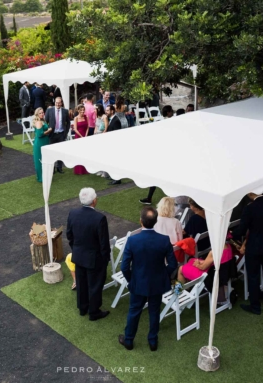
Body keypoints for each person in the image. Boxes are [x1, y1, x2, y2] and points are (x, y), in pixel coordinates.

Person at [118, 206, 177, 351]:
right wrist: (164, 275)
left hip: (138, 283)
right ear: (156, 221)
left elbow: (124, 267)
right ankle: (152, 341)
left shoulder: (132, 240)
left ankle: (129, 340)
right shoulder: (164, 240)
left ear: (140, 221)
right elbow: (173, 264)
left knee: (134, 311)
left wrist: (132, 280)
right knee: (154, 311)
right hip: (157, 283)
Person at [66, 188, 111, 321]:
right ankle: (94, 312)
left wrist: (76, 249)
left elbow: (69, 235)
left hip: (79, 256)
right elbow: (104, 243)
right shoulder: (99, 218)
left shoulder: (73, 213)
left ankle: (82, 308)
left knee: (81, 283)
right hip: (94, 259)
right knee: (95, 286)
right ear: (94, 201)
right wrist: (105, 259)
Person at [44, 97, 70, 174]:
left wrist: (66, 132)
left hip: (61, 134)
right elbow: (46, 122)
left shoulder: (65, 111)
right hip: (52, 134)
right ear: (54, 102)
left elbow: (68, 122)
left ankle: (59, 167)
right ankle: (52, 168)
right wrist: (48, 130)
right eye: (56, 102)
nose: (58, 104)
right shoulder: (49, 110)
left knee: (61, 152)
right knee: (51, 152)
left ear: (61, 103)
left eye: (59, 103)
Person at [154, 197, 183, 261]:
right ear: (172, 208)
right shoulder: (176, 222)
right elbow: (180, 240)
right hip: (173, 253)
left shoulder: (154, 220)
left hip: (157, 252)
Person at [32, 108, 52, 182]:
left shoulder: (43, 120)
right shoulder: (38, 122)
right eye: (40, 113)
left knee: (45, 159)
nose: (42, 114)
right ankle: (42, 177)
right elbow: (40, 134)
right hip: (40, 142)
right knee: (40, 160)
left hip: (45, 141)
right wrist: (48, 131)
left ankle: (46, 175)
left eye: (42, 112)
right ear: (37, 114)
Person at [72, 105, 89, 175]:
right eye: (81, 110)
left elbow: (88, 127)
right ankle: (79, 170)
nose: (82, 111)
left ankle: (86, 169)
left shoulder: (86, 117)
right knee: (78, 153)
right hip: (78, 136)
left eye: (83, 110)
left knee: (85, 153)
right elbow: (75, 129)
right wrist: (81, 136)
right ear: (78, 111)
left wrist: (86, 135)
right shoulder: (76, 118)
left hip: (85, 136)